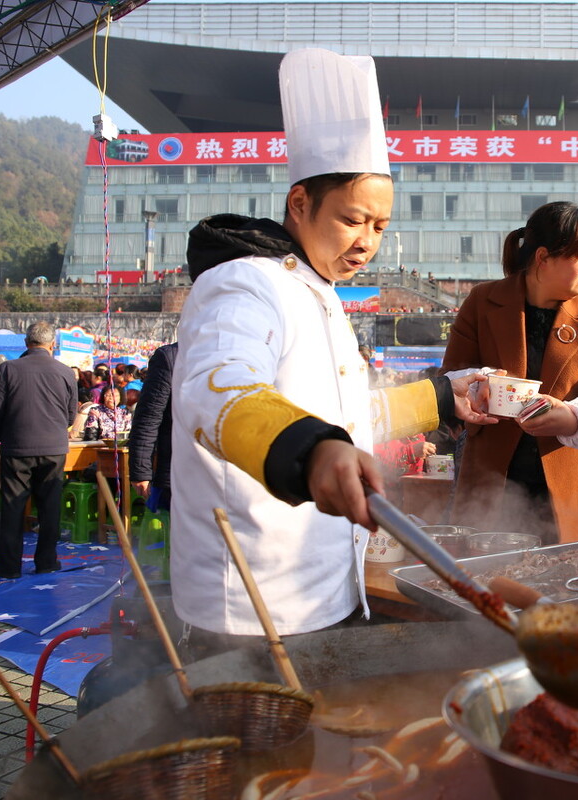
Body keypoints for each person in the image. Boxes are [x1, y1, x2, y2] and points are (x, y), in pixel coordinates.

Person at [172, 49, 496, 645]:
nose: (367, 241)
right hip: (252, 602)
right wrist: (311, 451)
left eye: (380, 227)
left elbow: (342, 418)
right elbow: (214, 389)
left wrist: (442, 398)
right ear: (300, 203)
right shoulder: (244, 282)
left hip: (327, 585)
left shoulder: (318, 292)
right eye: (353, 219)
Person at [441, 201, 578, 544]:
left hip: (575, 475)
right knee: (489, 581)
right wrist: (477, 386)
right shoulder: (483, 302)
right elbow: (452, 376)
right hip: (494, 478)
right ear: (543, 258)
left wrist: (574, 416)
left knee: (577, 582)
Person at [0, 322, 78, 578]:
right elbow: (71, 416)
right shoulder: (65, 372)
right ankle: (47, 561)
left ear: (27, 343)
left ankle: (9, 566)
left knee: (12, 507)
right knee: (50, 507)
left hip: (17, 446)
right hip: (54, 447)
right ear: (52, 345)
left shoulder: (8, 369)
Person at [129, 342, 177, 512]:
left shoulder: (250, 350)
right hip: (181, 469)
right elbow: (149, 417)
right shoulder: (172, 356)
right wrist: (141, 471)